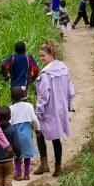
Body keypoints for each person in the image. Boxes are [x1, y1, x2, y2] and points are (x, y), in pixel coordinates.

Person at [35, 39, 75, 177]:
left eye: (43, 56)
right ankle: (58, 166)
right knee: (56, 136)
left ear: (51, 54)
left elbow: (43, 95)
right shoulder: (63, 68)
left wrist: (39, 110)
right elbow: (70, 90)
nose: (41, 58)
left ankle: (44, 163)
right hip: (60, 107)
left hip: (49, 109)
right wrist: (68, 104)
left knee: (39, 132)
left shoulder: (46, 74)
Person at [9, 86, 41, 182]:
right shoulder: (29, 106)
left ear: (11, 97)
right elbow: (34, 119)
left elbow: (9, 122)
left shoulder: (10, 108)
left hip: (15, 134)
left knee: (16, 155)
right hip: (27, 133)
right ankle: (26, 174)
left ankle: (18, 174)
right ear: (23, 95)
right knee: (27, 155)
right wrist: (38, 129)